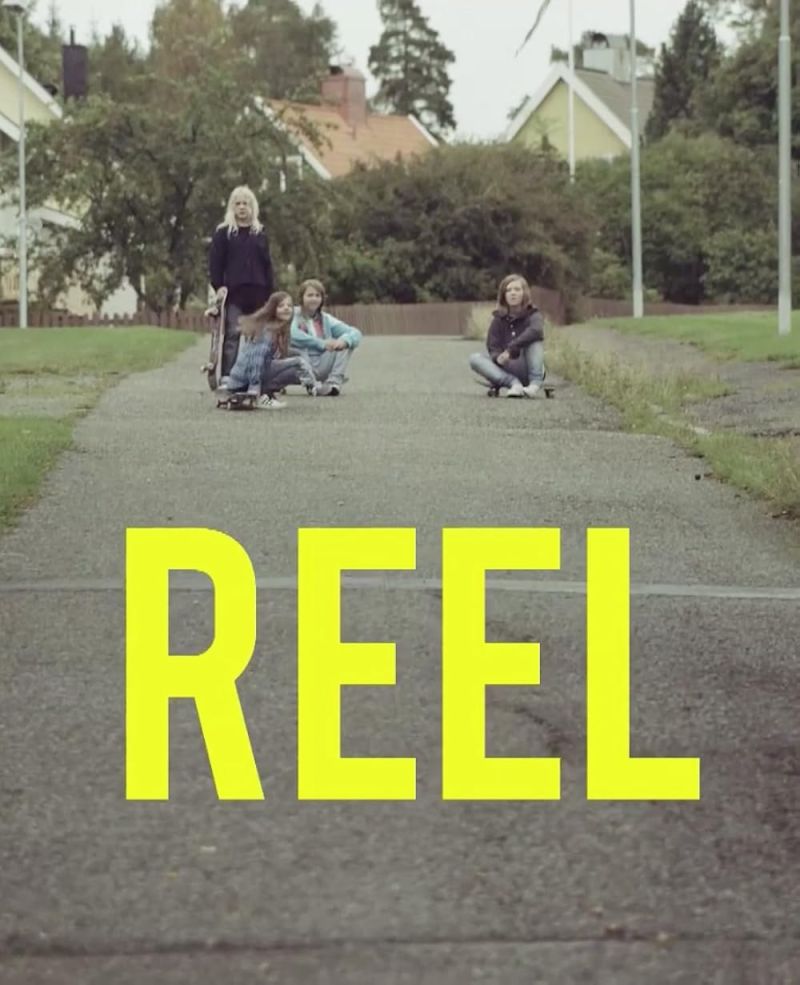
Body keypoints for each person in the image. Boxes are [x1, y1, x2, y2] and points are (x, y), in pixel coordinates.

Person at [208, 186, 275, 379]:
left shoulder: (260, 233)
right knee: (232, 335)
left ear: (252, 207)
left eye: (246, 203)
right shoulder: (224, 233)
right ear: (232, 207)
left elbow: (267, 264)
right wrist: (218, 285)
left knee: (259, 336)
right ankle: (228, 377)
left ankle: (257, 377)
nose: (242, 207)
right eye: (238, 204)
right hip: (234, 293)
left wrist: (271, 293)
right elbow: (215, 263)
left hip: (258, 292)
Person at [219, 292, 321, 409]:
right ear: (273, 309)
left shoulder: (280, 329)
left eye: (289, 306)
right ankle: (261, 396)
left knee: (298, 362)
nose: (286, 308)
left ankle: (267, 392)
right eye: (281, 306)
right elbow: (256, 361)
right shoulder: (267, 332)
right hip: (242, 383)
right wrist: (254, 389)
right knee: (297, 364)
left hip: (253, 377)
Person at [469, 274, 546, 398]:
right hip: (507, 368)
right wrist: (497, 358)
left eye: (517, 289)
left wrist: (511, 349)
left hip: (528, 366)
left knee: (535, 340)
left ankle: (534, 385)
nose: (512, 293)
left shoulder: (533, 314)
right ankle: (514, 384)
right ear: (504, 295)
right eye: (508, 290)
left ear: (524, 293)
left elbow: (536, 331)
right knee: (475, 358)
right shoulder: (498, 319)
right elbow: (493, 347)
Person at [288, 279, 362, 396]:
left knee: (346, 340)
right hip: (298, 366)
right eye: (310, 295)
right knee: (296, 347)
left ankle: (333, 384)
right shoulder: (292, 314)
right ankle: (309, 384)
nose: (314, 299)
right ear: (301, 297)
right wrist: (322, 343)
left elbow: (355, 332)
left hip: (320, 364)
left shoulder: (326, 319)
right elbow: (292, 334)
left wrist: (344, 341)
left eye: (317, 295)